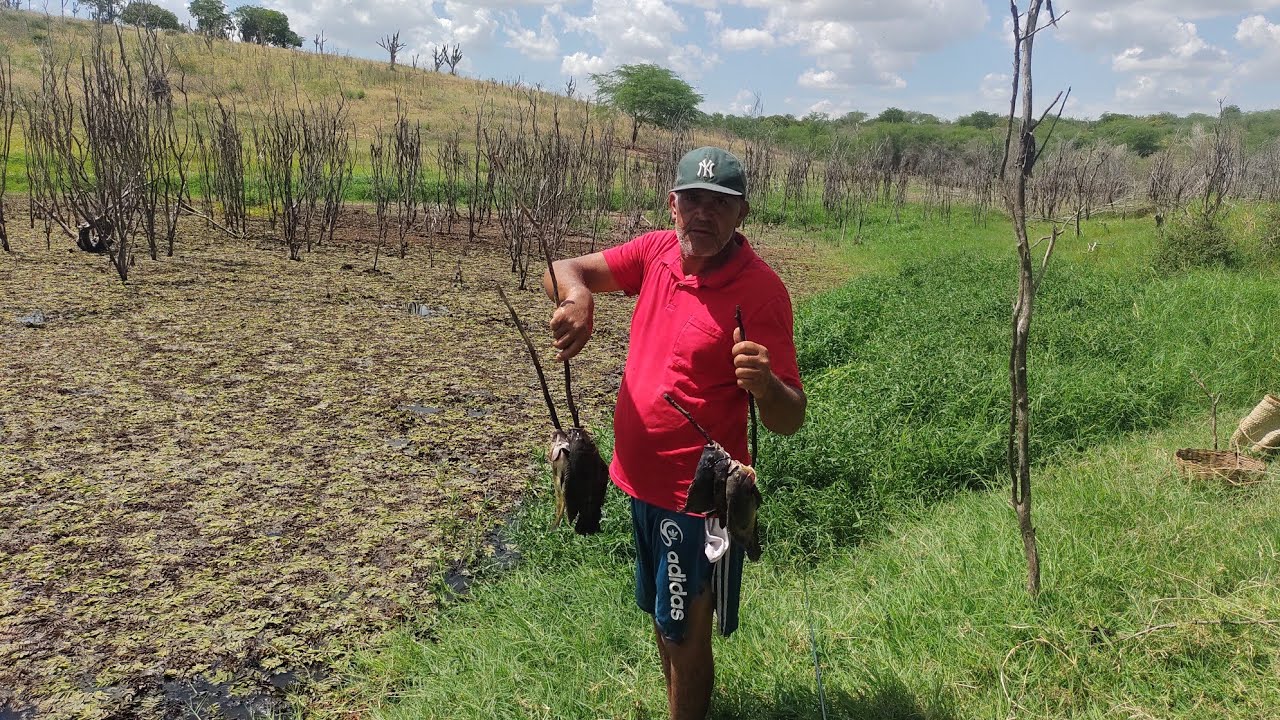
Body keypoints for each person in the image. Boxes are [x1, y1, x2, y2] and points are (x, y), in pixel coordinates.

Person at [542, 146, 806, 719]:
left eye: (720, 203)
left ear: (741, 214)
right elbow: (565, 268)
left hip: (697, 500)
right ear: (673, 204)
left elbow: (789, 419)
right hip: (637, 485)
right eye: (693, 200)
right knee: (664, 618)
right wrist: (579, 297)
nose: (703, 214)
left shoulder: (762, 292)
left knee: (685, 632)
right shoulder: (656, 251)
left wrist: (765, 386)